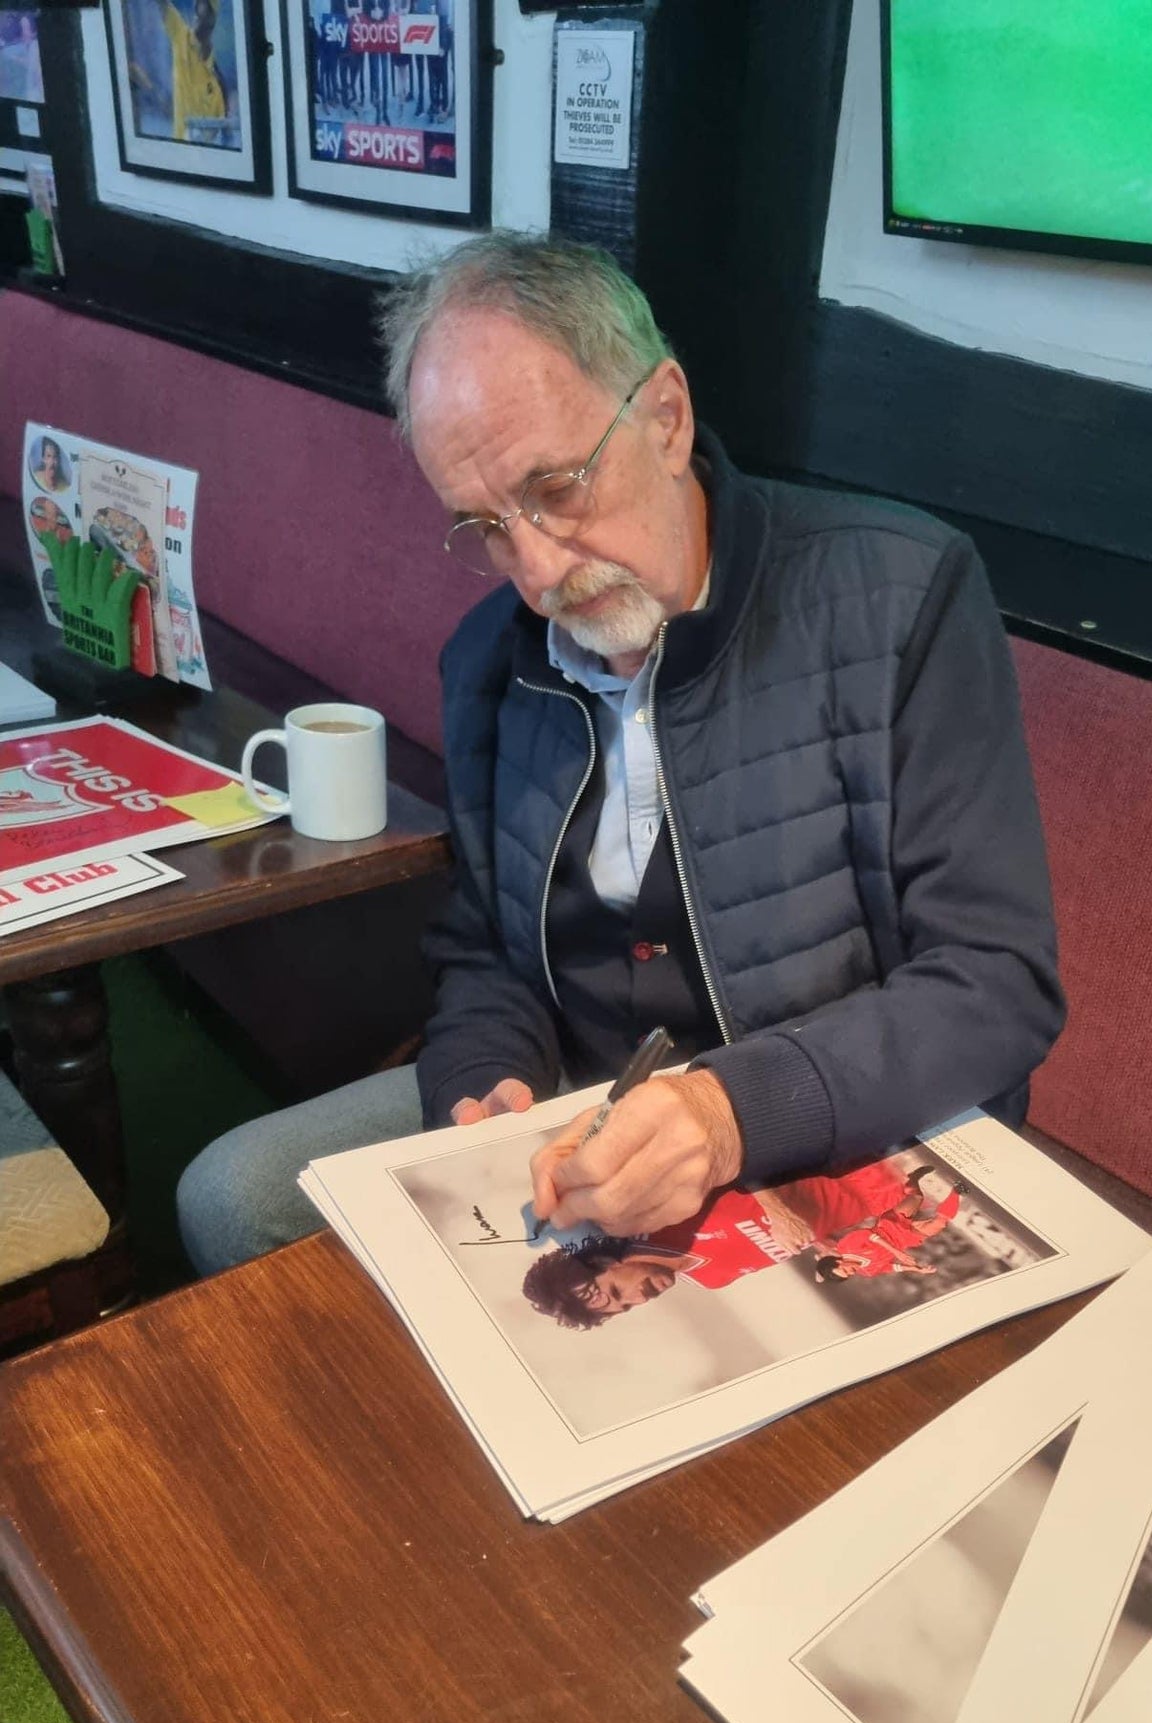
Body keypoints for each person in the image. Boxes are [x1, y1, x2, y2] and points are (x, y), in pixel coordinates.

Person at [176, 232, 1064, 1276]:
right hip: (579, 1121)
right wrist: (484, 1079)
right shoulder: (491, 665)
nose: (538, 567)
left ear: (666, 416)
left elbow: (997, 983)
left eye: (557, 489)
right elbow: (486, 951)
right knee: (230, 1198)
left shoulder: (901, 598)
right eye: (486, 526)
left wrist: (727, 1111)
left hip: (831, 1129)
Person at [521, 1155, 946, 1330]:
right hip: (884, 1200)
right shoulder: (714, 1281)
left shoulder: (655, 1218)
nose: (639, 1298)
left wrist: (775, 1207)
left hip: (867, 1158)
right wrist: (824, 1241)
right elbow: (786, 1233)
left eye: (618, 1291)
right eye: (626, 1306)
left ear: (603, 1263)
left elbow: (732, 1153)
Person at [148, 0, 229, 143]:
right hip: (180, 150)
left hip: (204, 158)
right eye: (197, 13)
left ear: (213, 21)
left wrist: (202, 141)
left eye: (205, 15)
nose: (199, 19)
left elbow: (217, 128)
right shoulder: (181, 37)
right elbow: (163, 5)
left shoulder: (217, 84)